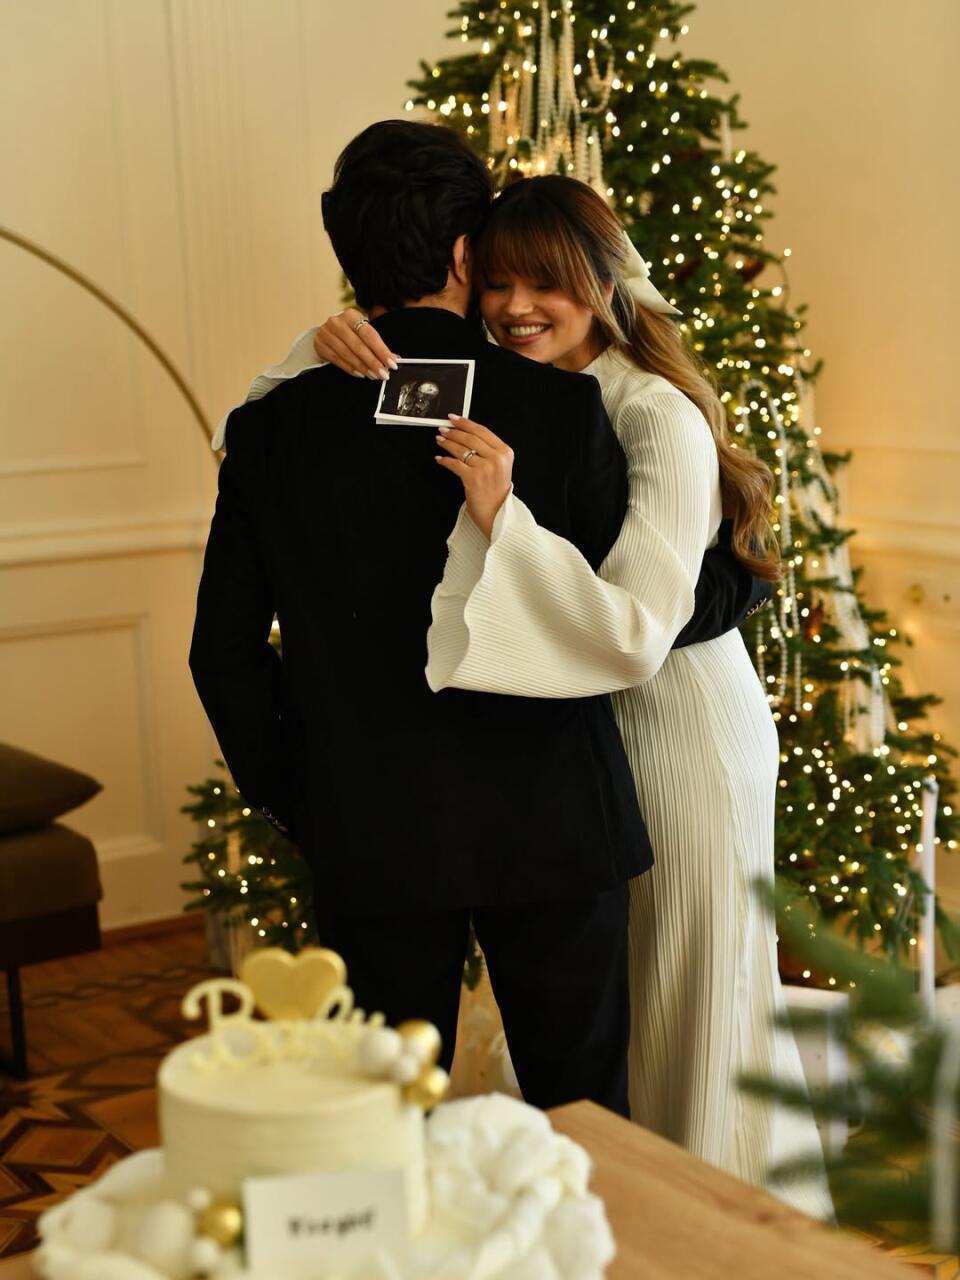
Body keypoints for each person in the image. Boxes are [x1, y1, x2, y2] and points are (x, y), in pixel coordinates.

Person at [189, 122, 763, 1119]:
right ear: (467, 254)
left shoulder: (269, 426)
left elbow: (224, 655)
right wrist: (745, 581)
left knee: (380, 1119)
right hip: (558, 827)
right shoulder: (565, 407)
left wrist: (310, 799)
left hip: (370, 829)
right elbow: (624, 604)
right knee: (585, 1125)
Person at [299, 174, 832, 1218]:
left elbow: (637, 624)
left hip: (676, 723)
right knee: (615, 1001)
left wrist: (504, 520)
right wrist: (332, 337)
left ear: (603, 282)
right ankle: (615, 1211)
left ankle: (697, 1220)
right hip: (584, 735)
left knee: (686, 993)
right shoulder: (505, 383)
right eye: (497, 282)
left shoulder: (653, 411)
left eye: (545, 283)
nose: (514, 306)